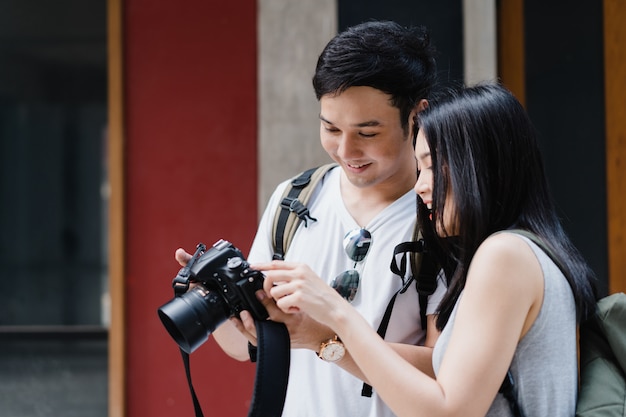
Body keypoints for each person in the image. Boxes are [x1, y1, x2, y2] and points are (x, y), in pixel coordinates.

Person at [255, 82, 597, 417]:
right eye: (421, 169)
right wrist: (322, 337)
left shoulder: (504, 255)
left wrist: (336, 312)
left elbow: (448, 410)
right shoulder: (532, 253)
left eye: (431, 166)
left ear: (480, 166)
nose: (420, 186)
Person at [176, 20, 447, 416]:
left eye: (368, 133)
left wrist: (325, 338)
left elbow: (446, 374)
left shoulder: (445, 215)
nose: (345, 149)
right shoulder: (294, 198)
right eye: (330, 127)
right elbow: (246, 347)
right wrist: (213, 299)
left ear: (417, 116)